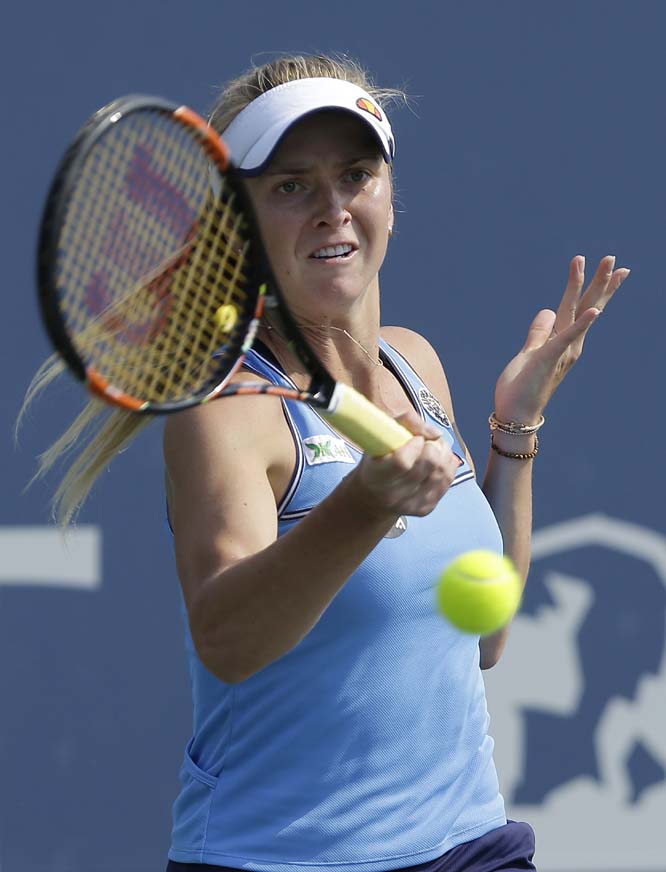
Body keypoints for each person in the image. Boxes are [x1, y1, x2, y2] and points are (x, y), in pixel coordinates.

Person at [25, 54, 630, 872]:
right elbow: (229, 640)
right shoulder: (227, 416)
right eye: (291, 186)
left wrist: (514, 432)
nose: (333, 209)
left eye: (355, 175)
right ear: (239, 225)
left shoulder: (416, 364)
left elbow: (482, 634)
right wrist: (362, 507)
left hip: (470, 844)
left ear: (390, 197)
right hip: (279, 859)